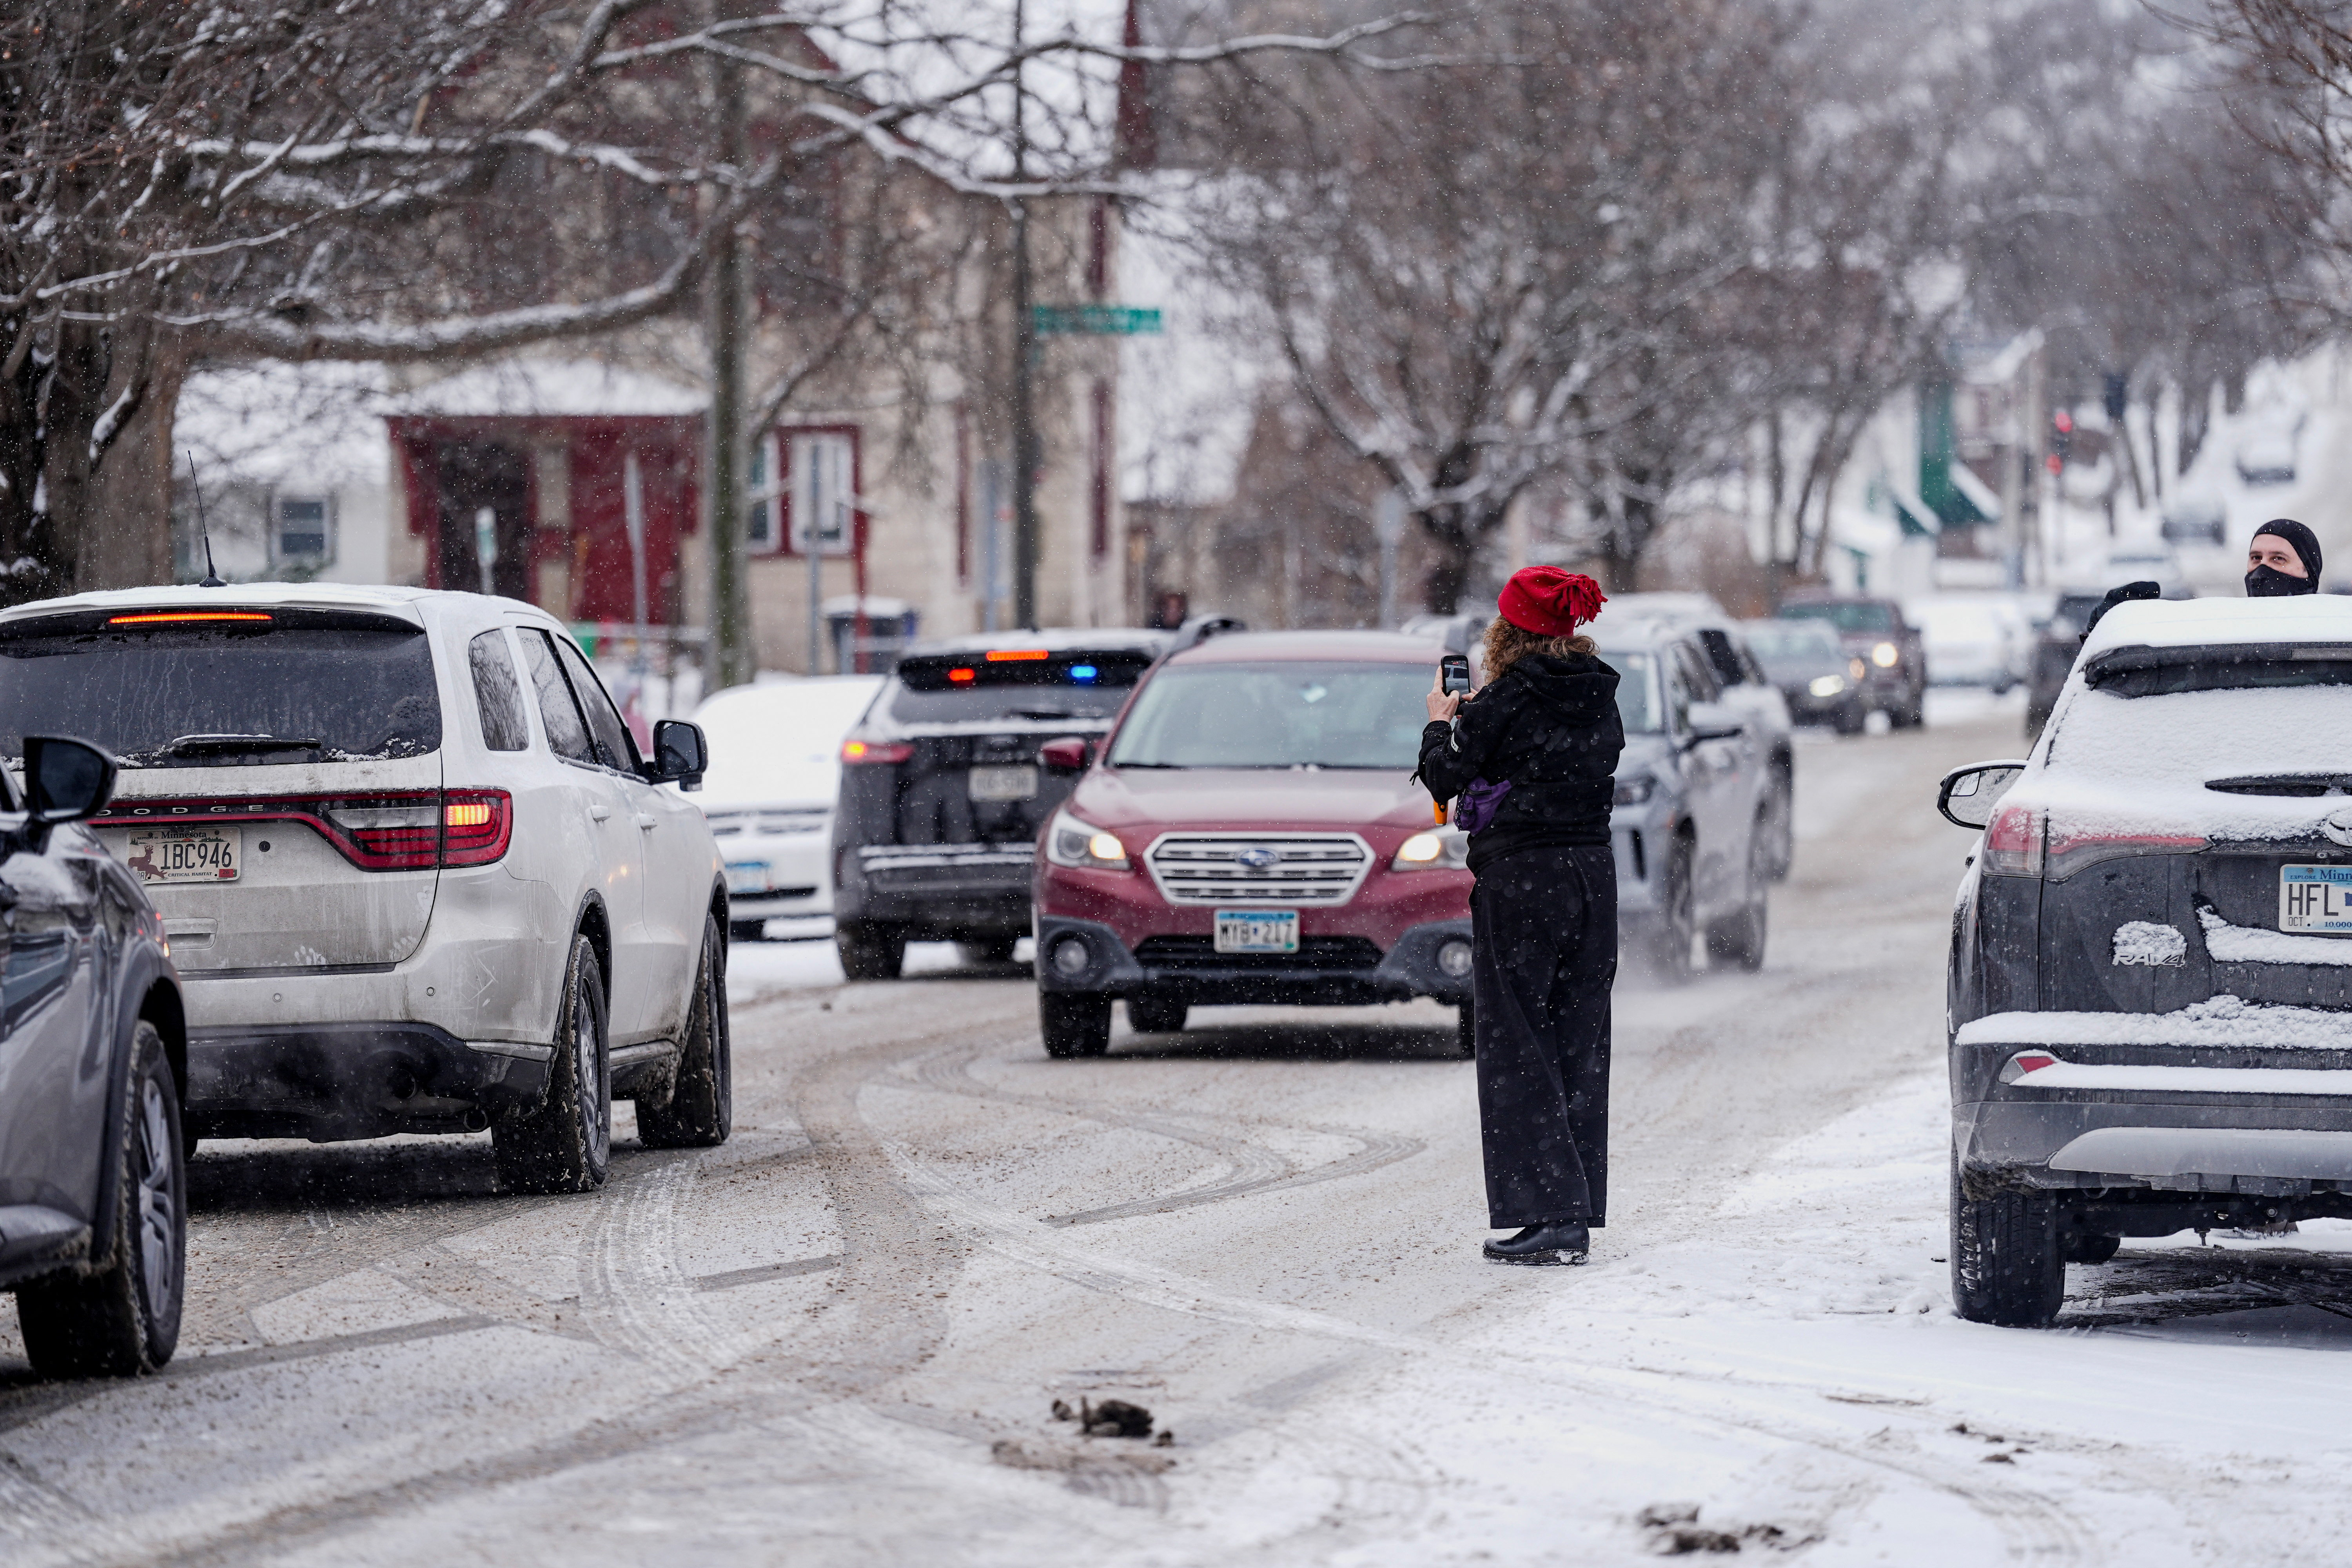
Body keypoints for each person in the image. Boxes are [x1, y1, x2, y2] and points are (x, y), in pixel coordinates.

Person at [1416, 566, 1625, 1266]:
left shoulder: (1503, 702)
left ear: (1509, 631)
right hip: (1593, 878)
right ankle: (1576, 1205)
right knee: (1577, 1037)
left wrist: (1440, 724)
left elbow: (1446, 780)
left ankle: (1548, 1214)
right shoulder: (1603, 699)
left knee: (1517, 1041)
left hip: (1522, 881)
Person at [2246, 519, 2321, 597]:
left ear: (2308, 570)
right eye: (2256, 558)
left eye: (2278, 558)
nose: (2263, 565)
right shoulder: (2237, 609)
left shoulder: (2329, 609)